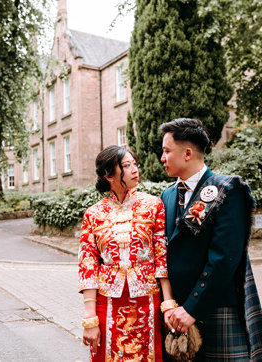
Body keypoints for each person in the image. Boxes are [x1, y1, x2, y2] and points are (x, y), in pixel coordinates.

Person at [159, 118, 262, 361]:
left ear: (187, 153)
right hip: (175, 314)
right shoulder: (166, 195)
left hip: (214, 307)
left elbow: (224, 258)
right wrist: (172, 306)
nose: (162, 158)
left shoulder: (227, 190)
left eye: (167, 151)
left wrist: (191, 308)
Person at [78, 145, 175, 361]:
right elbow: (87, 267)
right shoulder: (93, 214)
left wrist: (168, 305)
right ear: (109, 175)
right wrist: (89, 319)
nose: (134, 170)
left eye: (135, 164)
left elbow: (161, 256)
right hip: (107, 301)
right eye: (126, 165)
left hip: (147, 301)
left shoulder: (153, 205)